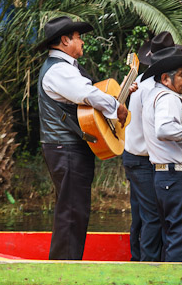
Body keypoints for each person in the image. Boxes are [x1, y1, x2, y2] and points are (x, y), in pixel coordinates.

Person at [36, 16, 131, 260]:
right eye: (78, 37)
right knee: (71, 212)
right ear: (65, 40)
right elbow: (87, 93)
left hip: (68, 147)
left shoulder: (66, 68)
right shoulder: (58, 69)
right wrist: (115, 107)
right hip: (65, 147)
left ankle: (67, 265)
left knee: (74, 210)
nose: (82, 42)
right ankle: (64, 271)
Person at [122, 31, 182, 261]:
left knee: (140, 214)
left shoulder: (142, 82)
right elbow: (162, 128)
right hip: (142, 159)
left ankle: (137, 260)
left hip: (133, 155)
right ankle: (148, 265)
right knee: (153, 217)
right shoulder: (154, 88)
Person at [141, 46, 182, 262]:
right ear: (165, 79)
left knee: (173, 239)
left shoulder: (154, 95)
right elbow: (164, 129)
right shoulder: (167, 98)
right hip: (179, 179)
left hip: (166, 177)